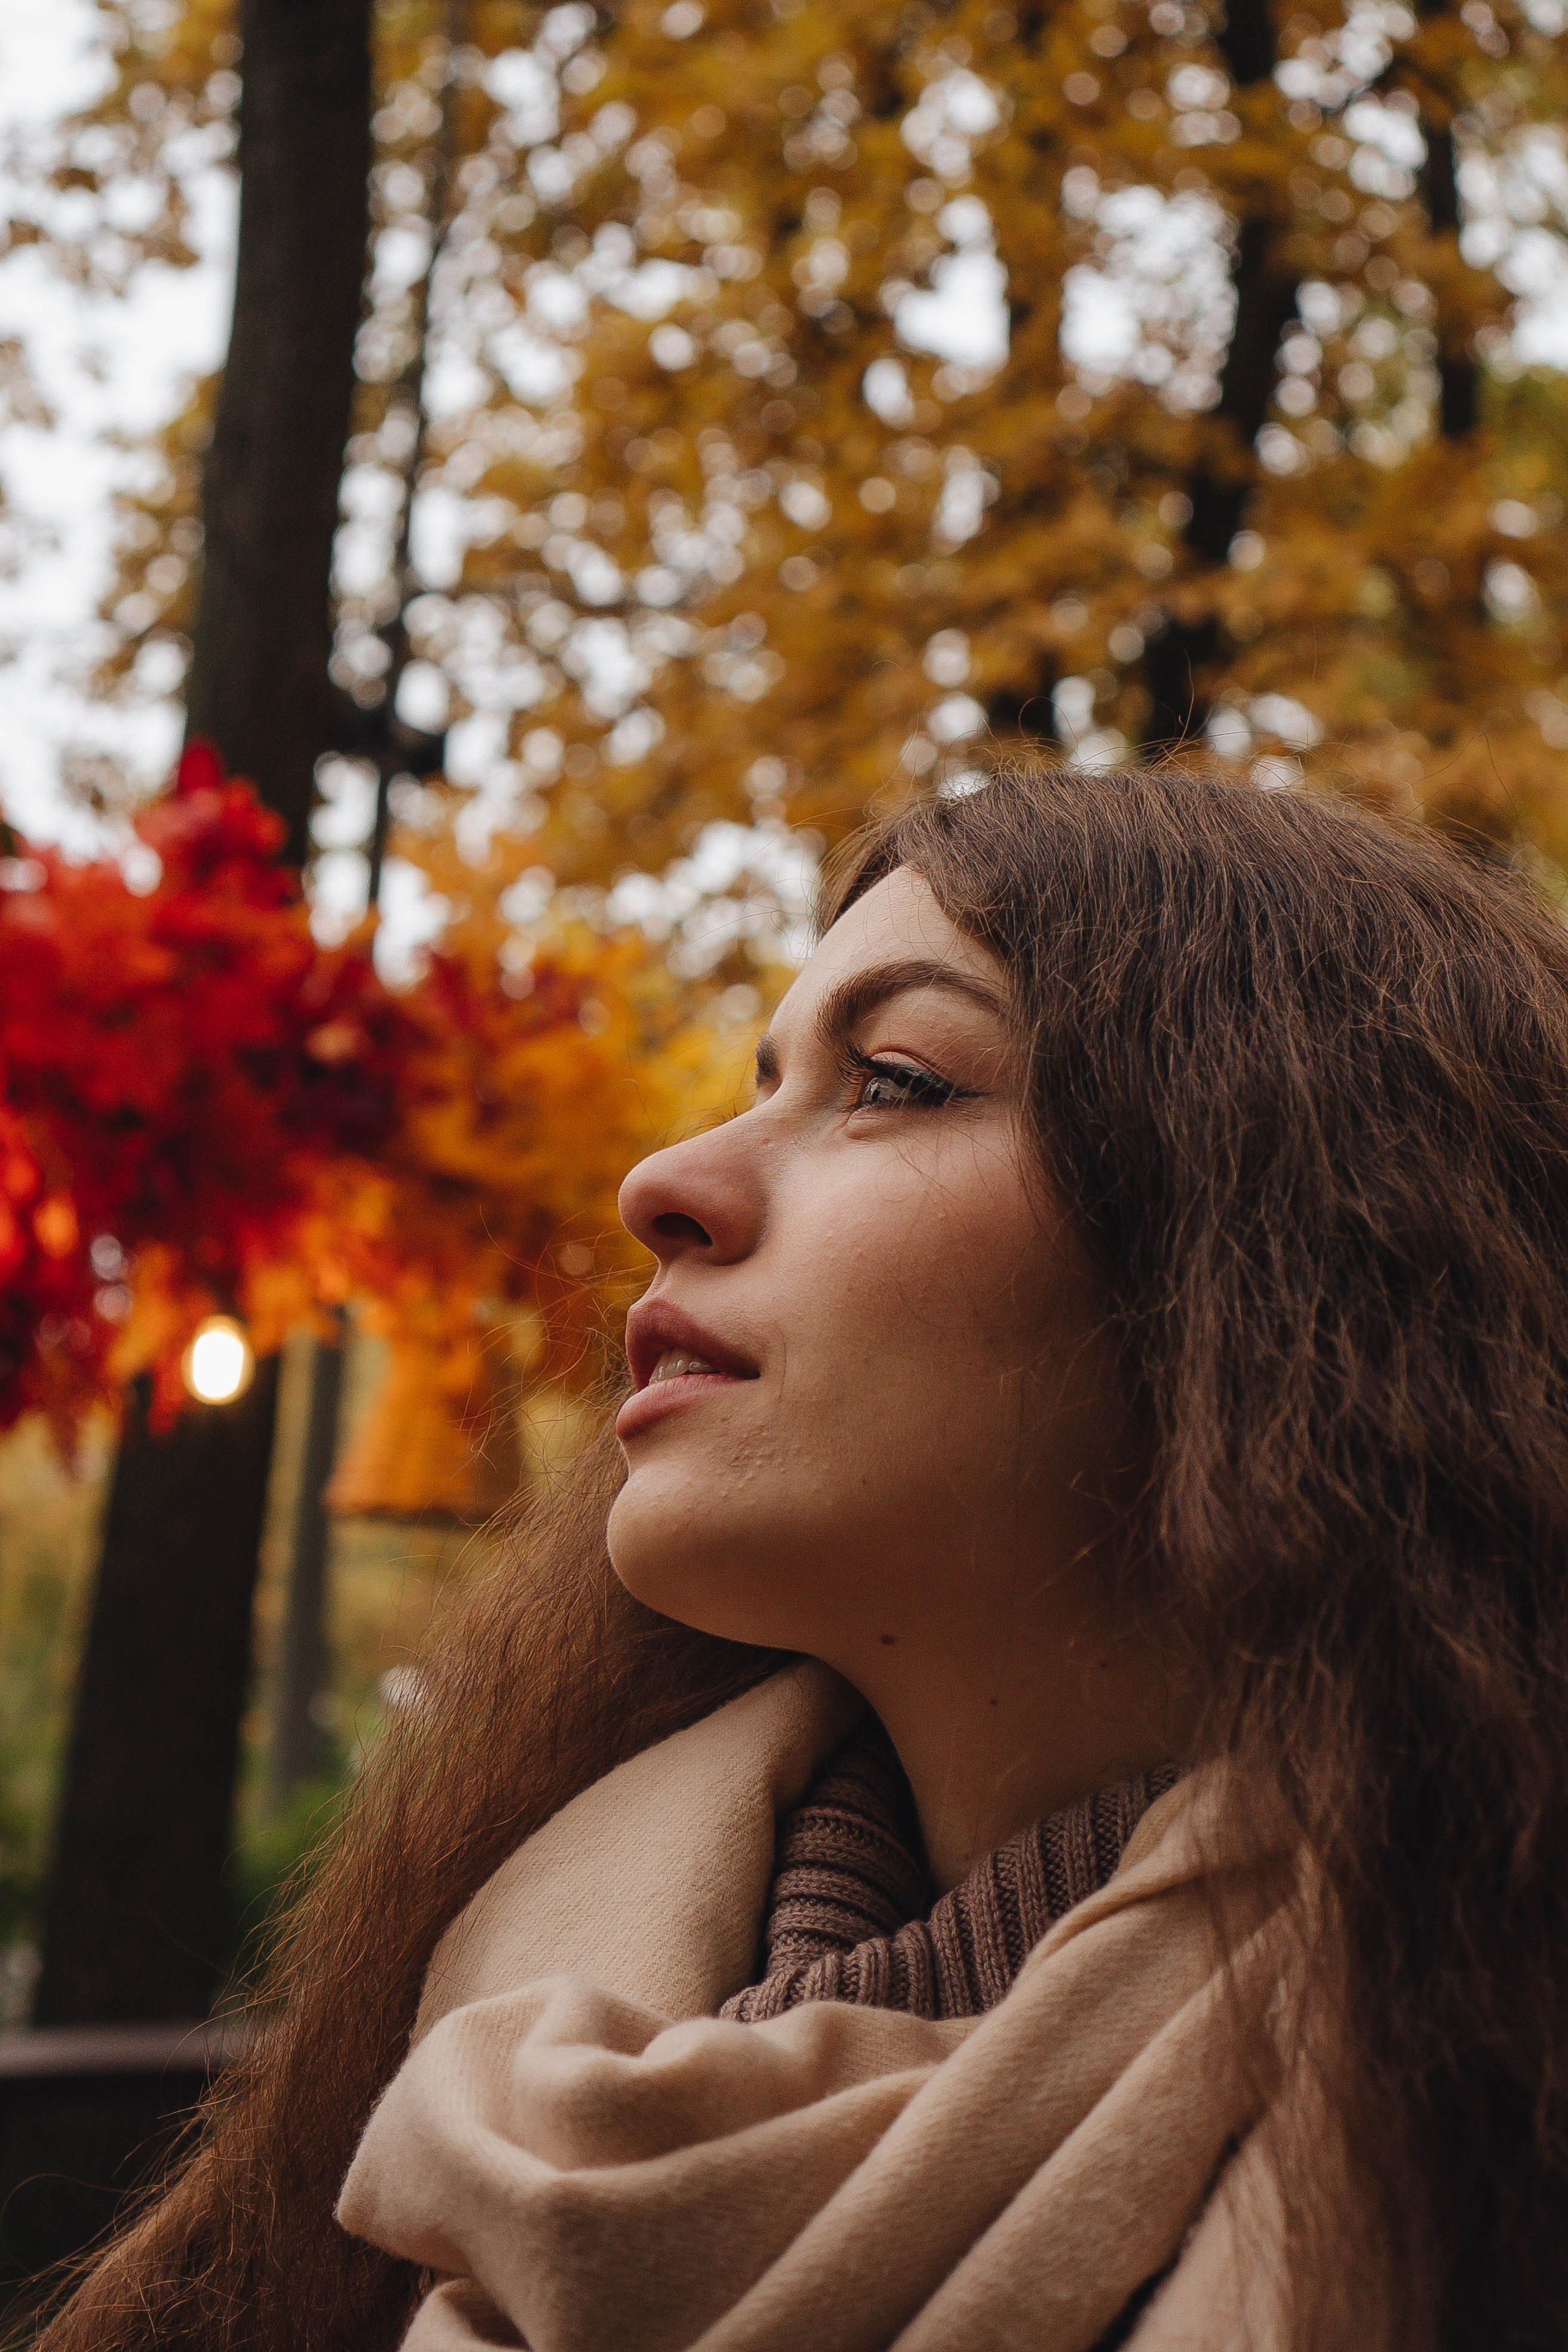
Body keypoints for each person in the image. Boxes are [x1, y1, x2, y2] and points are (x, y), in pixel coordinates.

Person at [39, 763, 1568, 2351]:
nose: (664, 1185)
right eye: (760, 1080)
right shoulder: (461, 2046)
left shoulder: (1487, 2107)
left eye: (895, 1079)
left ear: (1293, 1281)